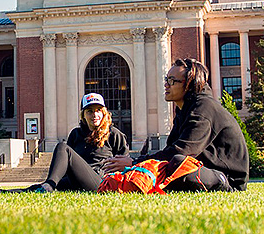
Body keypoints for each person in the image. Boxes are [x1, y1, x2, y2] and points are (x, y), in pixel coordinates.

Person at [104, 58, 249, 191]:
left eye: (172, 81)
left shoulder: (204, 109)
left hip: (228, 179)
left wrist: (134, 162)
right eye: (166, 79)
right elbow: (170, 149)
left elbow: (181, 151)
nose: (166, 85)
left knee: (177, 162)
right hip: (202, 169)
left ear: (190, 84)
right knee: (170, 164)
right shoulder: (184, 110)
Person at [0, 93, 129, 193]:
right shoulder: (76, 134)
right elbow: (67, 164)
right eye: (90, 111)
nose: (95, 114)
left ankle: (49, 185)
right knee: (39, 187)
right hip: (76, 180)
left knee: (62, 148)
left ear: (104, 113)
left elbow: (126, 165)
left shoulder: (114, 134)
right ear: (83, 115)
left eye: (98, 110)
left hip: (100, 182)